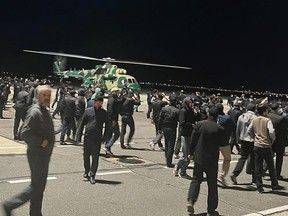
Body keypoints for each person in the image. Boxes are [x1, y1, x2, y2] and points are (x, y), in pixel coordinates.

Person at [2, 85, 55, 216]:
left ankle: (35, 213)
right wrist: (41, 142)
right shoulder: (35, 112)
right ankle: (10, 204)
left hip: (43, 154)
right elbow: (24, 132)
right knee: (37, 187)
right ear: (37, 96)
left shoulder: (44, 110)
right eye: (44, 95)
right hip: (37, 154)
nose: (47, 97)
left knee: (39, 186)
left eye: (48, 95)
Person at [187, 107, 225, 215]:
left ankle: (191, 200)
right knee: (212, 184)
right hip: (212, 160)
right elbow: (222, 144)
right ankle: (211, 209)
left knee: (196, 180)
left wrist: (191, 152)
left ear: (208, 114)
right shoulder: (219, 128)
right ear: (217, 116)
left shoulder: (199, 124)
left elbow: (192, 140)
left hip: (199, 158)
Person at [247, 104, 284, 193]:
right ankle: (274, 184)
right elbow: (271, 132)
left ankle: (259, 186)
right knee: (270, 166)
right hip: (266, 145)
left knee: (258, 166)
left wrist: (254, 138)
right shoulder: (267, 120)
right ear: (264, 112)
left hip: (257, 145)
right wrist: (272, 140)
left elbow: (249, 130)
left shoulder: (254, 119)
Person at [76, 95, 110, 184]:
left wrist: (105, 137)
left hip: (97, 138)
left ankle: (92, 174)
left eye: (97, 101)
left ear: (101, 102)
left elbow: (107, 126)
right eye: (94, 101)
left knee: (95, 157)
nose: (95, 102)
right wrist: (79, 136)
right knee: (86, 156)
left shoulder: (104, 113)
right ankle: (87, 170)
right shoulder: (88, 111)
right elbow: (82, 124)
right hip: (88, 136)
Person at [174, 97, 201, 179]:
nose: (191, 104)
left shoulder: (191, 110)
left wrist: (197, 113)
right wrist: (191, 125)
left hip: (191, 134)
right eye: (189, 102)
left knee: (188, 155)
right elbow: (182, 122)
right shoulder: (183, 111)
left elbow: (197, 119)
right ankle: (181, 170)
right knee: (187, 156)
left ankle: (179, 169)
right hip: (185, 135)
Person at [230, 103, 257, 185]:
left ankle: (235, 173)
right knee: (254, 159)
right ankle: (254, 179)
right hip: (252, 140)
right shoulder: (255, 118)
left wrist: (238, 139)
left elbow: (237, 129)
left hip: (243, 139)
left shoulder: (241, 117)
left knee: (243, 158)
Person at [267, 102, 288, 180]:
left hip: (270, 139)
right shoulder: (282, 118)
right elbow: (285, 129)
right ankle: (277, 174)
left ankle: (265, 170)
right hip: (280, 140)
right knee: (279, 159)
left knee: (269, 157)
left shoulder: (268, 115)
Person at [215, 103, 234, 187]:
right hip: (224, 141)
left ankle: (213, 175)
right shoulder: (227, 118)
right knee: (227, 159)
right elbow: (233, 127)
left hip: (214, 141)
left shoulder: (214, 118)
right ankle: (222, 175)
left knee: (213, 159)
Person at [158, 94, 179, 168]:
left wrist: (159, 128)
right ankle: (169, 162)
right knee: (171, 145)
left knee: (167, 144)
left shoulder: (164, 109)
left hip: (165, 128)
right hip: (172, 128)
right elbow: (179, 120)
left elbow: (160, 119)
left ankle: (167, 159)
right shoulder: (176, 110)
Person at [104, 87, 122, 155]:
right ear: (113, 92)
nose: (118, 93)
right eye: (117, 92)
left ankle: (108, 149)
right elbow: (110, 111)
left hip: (110, 119)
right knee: (117, 134)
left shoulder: (113, 98)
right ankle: (107, 146)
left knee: (109, 134)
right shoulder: (112, 99)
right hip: (112, 119)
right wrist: (113, 120)